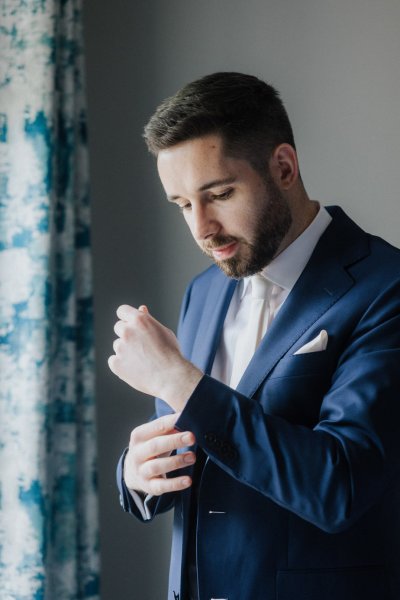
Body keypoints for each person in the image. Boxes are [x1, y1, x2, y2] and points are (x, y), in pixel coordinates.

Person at [109, 72, 400, 600]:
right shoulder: (204, 291)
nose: (201, 228)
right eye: (181, 205)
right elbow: (194, 443)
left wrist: (179, 381)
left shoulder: (387, 288)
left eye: (218, 194)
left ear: (283, 167)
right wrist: (136, 475)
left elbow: (340, 486)